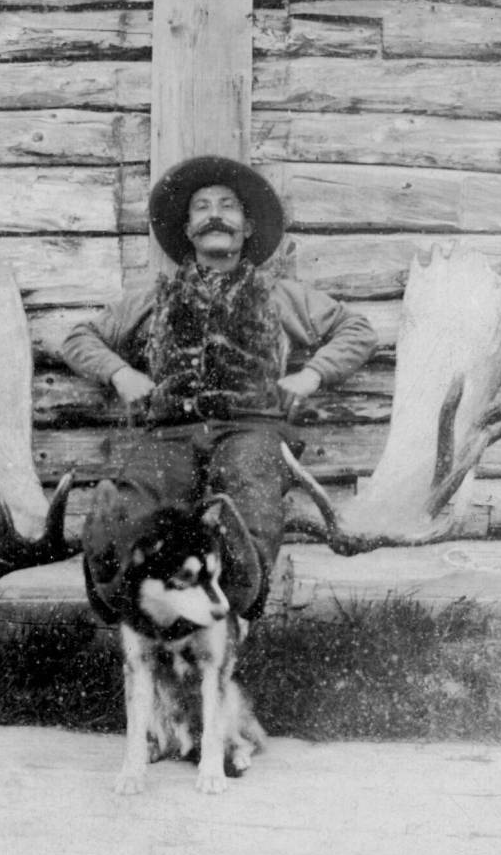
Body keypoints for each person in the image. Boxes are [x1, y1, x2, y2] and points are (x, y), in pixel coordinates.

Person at [60, 155, 378, 622]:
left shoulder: (282, 295)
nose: (215, 215)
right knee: (131, 506)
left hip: (250, 428)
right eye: (202, 207)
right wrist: (120, 374)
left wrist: (312, 375)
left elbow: (358, 330)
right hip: (169, 431)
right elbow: (78, 337)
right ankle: (130, 610)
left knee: (247, 496)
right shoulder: (155, 296)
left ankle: (236, 611)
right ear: (188, 230)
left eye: (228, 207)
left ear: (247, 227)